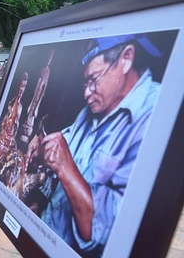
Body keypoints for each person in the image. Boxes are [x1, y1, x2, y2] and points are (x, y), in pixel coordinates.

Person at [28, 34, 161, 255]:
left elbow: (105, 232)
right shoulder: (92, 111)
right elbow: (63, 150)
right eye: (85, 82)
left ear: (126, 58)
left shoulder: (155, 116)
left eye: (94, 79)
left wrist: (64, 167)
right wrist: (43, 147)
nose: (86, 92)